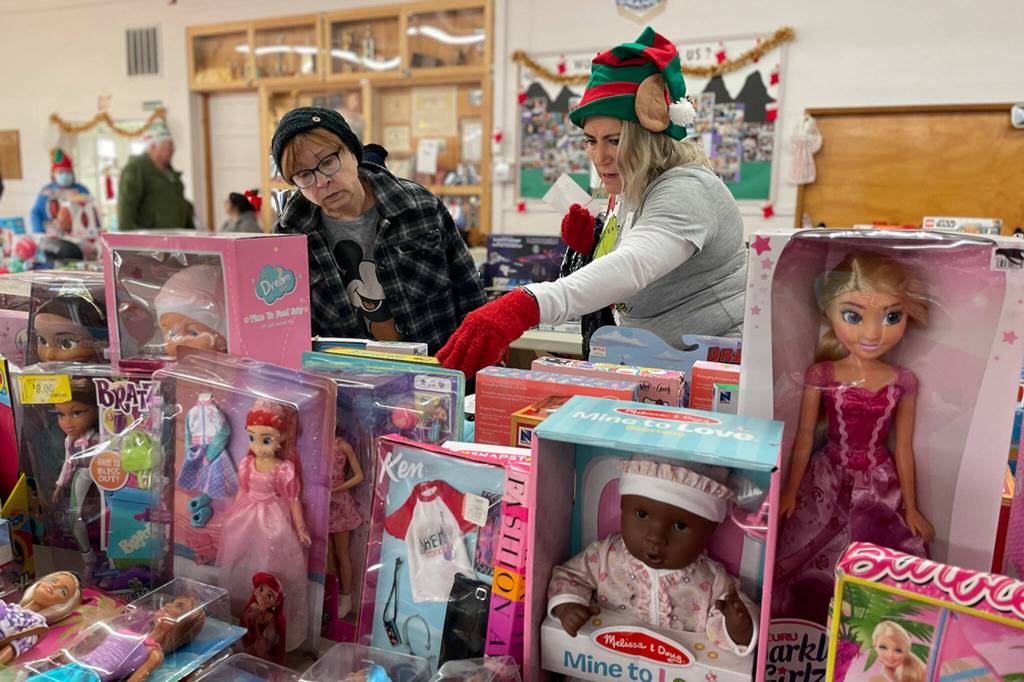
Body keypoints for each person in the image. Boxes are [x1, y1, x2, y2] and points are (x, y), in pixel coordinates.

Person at [438, 27, 747, 378]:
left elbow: (634, 266)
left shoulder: (687, 188)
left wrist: (526, 304)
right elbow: (626, 262)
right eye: (590, 141)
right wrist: (593, 246)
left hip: (714, 373)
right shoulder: (633, 188)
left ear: (649, 138)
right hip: (662, 367)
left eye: (614, 140)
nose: (600, 157)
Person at [772, 252, 934, 625]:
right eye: (853, 316)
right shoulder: (823, 373)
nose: (873, 334)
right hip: (826, 477)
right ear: (829, 312)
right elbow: (804, 437)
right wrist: (790, 491)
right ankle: (808, 621)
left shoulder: (903, 381)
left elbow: (903, 448)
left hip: (879, 483)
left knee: (877, 555)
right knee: (808, 547)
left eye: (892, 317)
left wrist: (911, 507)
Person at [271, 107, 486, 353]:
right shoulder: (289, 236)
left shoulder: (418, 206)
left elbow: (470, 292)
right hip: (348, 374)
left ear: (353, 152)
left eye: (328, 162)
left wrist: (477, 361)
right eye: (304, 175)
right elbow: (288, 326)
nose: (322, 181)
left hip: (438, 368)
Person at [117, 120, 194, 230]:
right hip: (150, 236)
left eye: (172, 147)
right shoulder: (136, 170)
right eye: (167, 147)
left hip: (175, 234)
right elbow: (126, 209)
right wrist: (127, 238)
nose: (172, 151)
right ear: (153, 147)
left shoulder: (170, 173)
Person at [30, 149, 91, 234]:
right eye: (61, 172)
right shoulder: (46, 191)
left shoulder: (82, 190)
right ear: (53, 174)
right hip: (51, 235)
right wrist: (38, 232)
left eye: (68, 172)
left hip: (79, 233)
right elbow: (36, 212)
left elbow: (91, 213)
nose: (65, 175)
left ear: (72, 173)